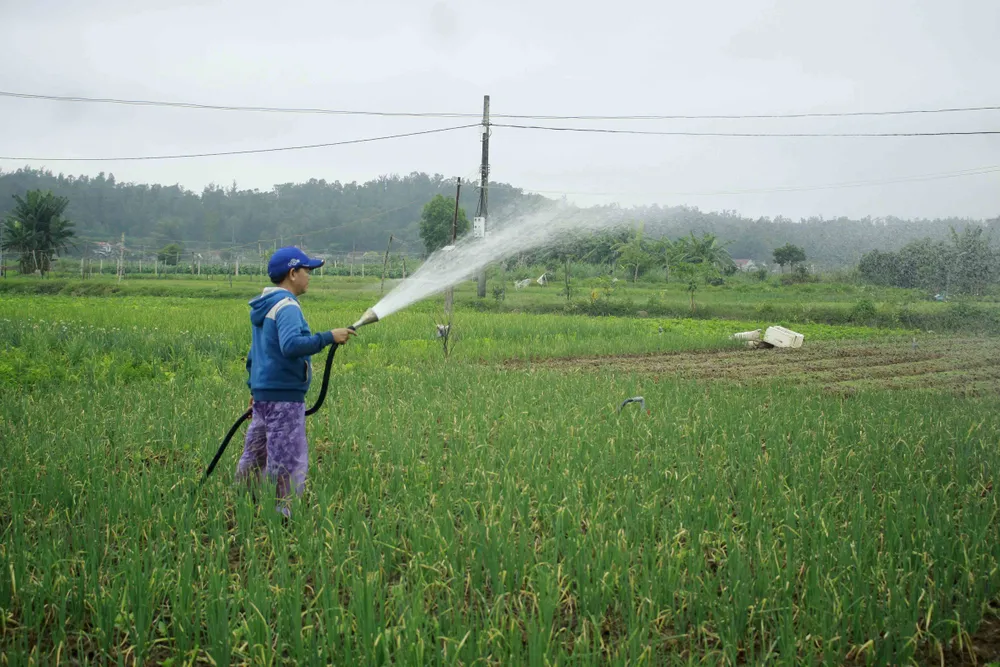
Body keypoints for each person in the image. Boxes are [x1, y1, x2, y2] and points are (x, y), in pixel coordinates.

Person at [236, 246, 355, 517]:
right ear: (292, 273)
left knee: (257, 451)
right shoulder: (287, 306)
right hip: (285, 397)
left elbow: (253, 355)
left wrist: (254, 390)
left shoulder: (265, 306)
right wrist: (328, 337)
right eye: (307, 270)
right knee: (288, 455)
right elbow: (291, 345)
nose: (310, 276)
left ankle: (245, 500)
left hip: (265, 395)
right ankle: (283, 513)